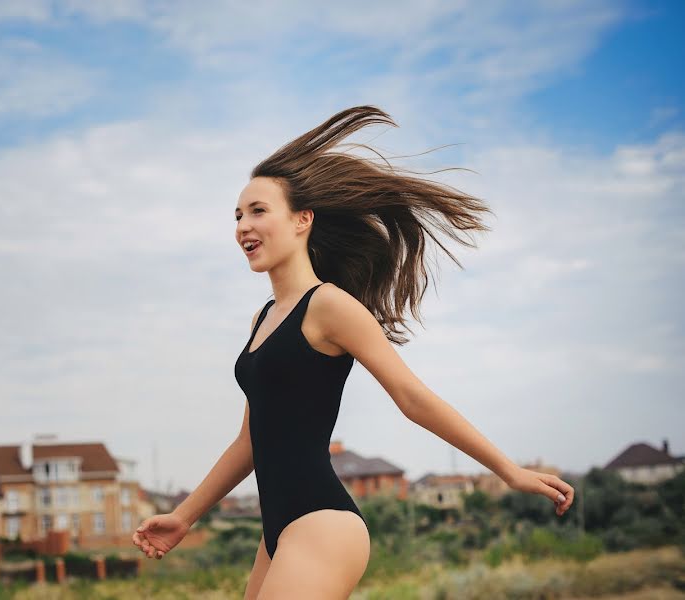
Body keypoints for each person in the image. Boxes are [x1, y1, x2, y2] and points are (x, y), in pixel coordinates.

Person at [131, 105, 575, 599]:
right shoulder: (262, 319)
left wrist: (508, 471)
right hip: (276, 532)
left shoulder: (329, 306)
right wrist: (183, 516)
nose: (243, 226)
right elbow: (250, 442)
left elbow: (412, 396)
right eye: (237, 215)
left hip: (323, 525)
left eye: (258, 211)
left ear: (303, 219)